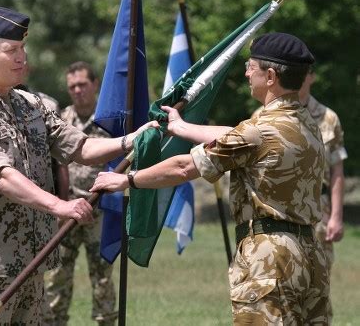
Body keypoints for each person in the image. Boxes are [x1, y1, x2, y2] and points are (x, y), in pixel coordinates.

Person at [91, 32, 330, 324]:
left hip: (271, 259)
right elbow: (238, 136)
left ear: (270, 76)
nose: (245, 72)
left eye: (250, 66)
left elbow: (183, 167)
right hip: (310, 256)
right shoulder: (307, 124)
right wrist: (182, 128)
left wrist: (126, 180)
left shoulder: (258, 131)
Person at [0, 4, 157, 325]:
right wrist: (60, 205)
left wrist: (132, 140)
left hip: (33, 261)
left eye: (23, 49)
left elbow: (81, 146)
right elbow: (2, 176)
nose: (21, 57)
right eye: (11, 50)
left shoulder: (30, 104)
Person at [43, 61, 117, 326]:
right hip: (67, 211)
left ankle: (106, 321)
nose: (77, 91)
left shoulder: (110, 121)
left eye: (83, 85)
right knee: (57, 276)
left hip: (102, 211)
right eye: (72, 86)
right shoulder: (62, 120)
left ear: (95, 84)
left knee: (103, 277)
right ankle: (55, 321)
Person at [299, 68, 347, 324]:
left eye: (304, 73)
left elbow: (337, 168)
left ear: (311, 76)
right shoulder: (263, 115)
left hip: (319, 212)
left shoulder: (328, 118)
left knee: (318, 291)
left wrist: (337, 216)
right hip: (280, 213)